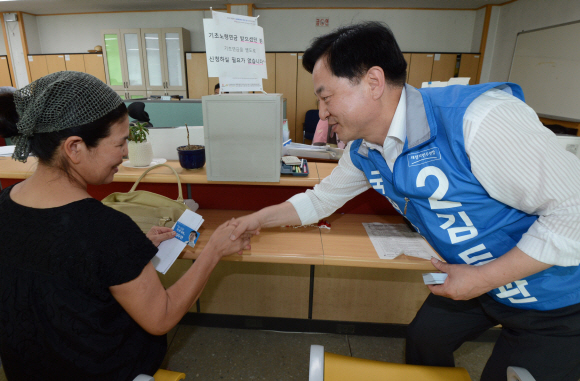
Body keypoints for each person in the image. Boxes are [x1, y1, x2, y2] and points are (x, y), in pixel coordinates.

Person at [227, 22, 580, 380]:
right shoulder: (364, 149)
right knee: (424, 339)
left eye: (326, 96)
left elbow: (573, 212)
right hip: (475, 279)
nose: (321, 111)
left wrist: (484, 278)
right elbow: (320, 201)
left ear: (374, 82)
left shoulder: (479, 119)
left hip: (555, 298)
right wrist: (254, 221)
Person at [0, 71, 252, 380]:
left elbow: (61, 275)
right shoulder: (106, 228)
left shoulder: (5, 203)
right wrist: (213, 250)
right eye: (119, 144)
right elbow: (160, 317)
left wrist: (130, 252)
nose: (125, 153)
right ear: (75, 147)